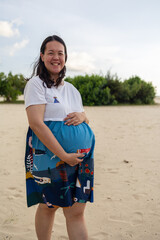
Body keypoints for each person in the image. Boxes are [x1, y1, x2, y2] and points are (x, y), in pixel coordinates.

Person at [24, 35, 95, 240]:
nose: (56, 57)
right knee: (49, 205)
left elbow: (83, 118)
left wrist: (83, 116)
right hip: (52, 157)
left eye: (60, 53)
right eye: (51, 53)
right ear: (42, 56)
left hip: (82, 159)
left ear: (65, 57)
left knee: (76, 211)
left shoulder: (71, 88)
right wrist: (63, 155)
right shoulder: (36, 84)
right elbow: (36, 123)